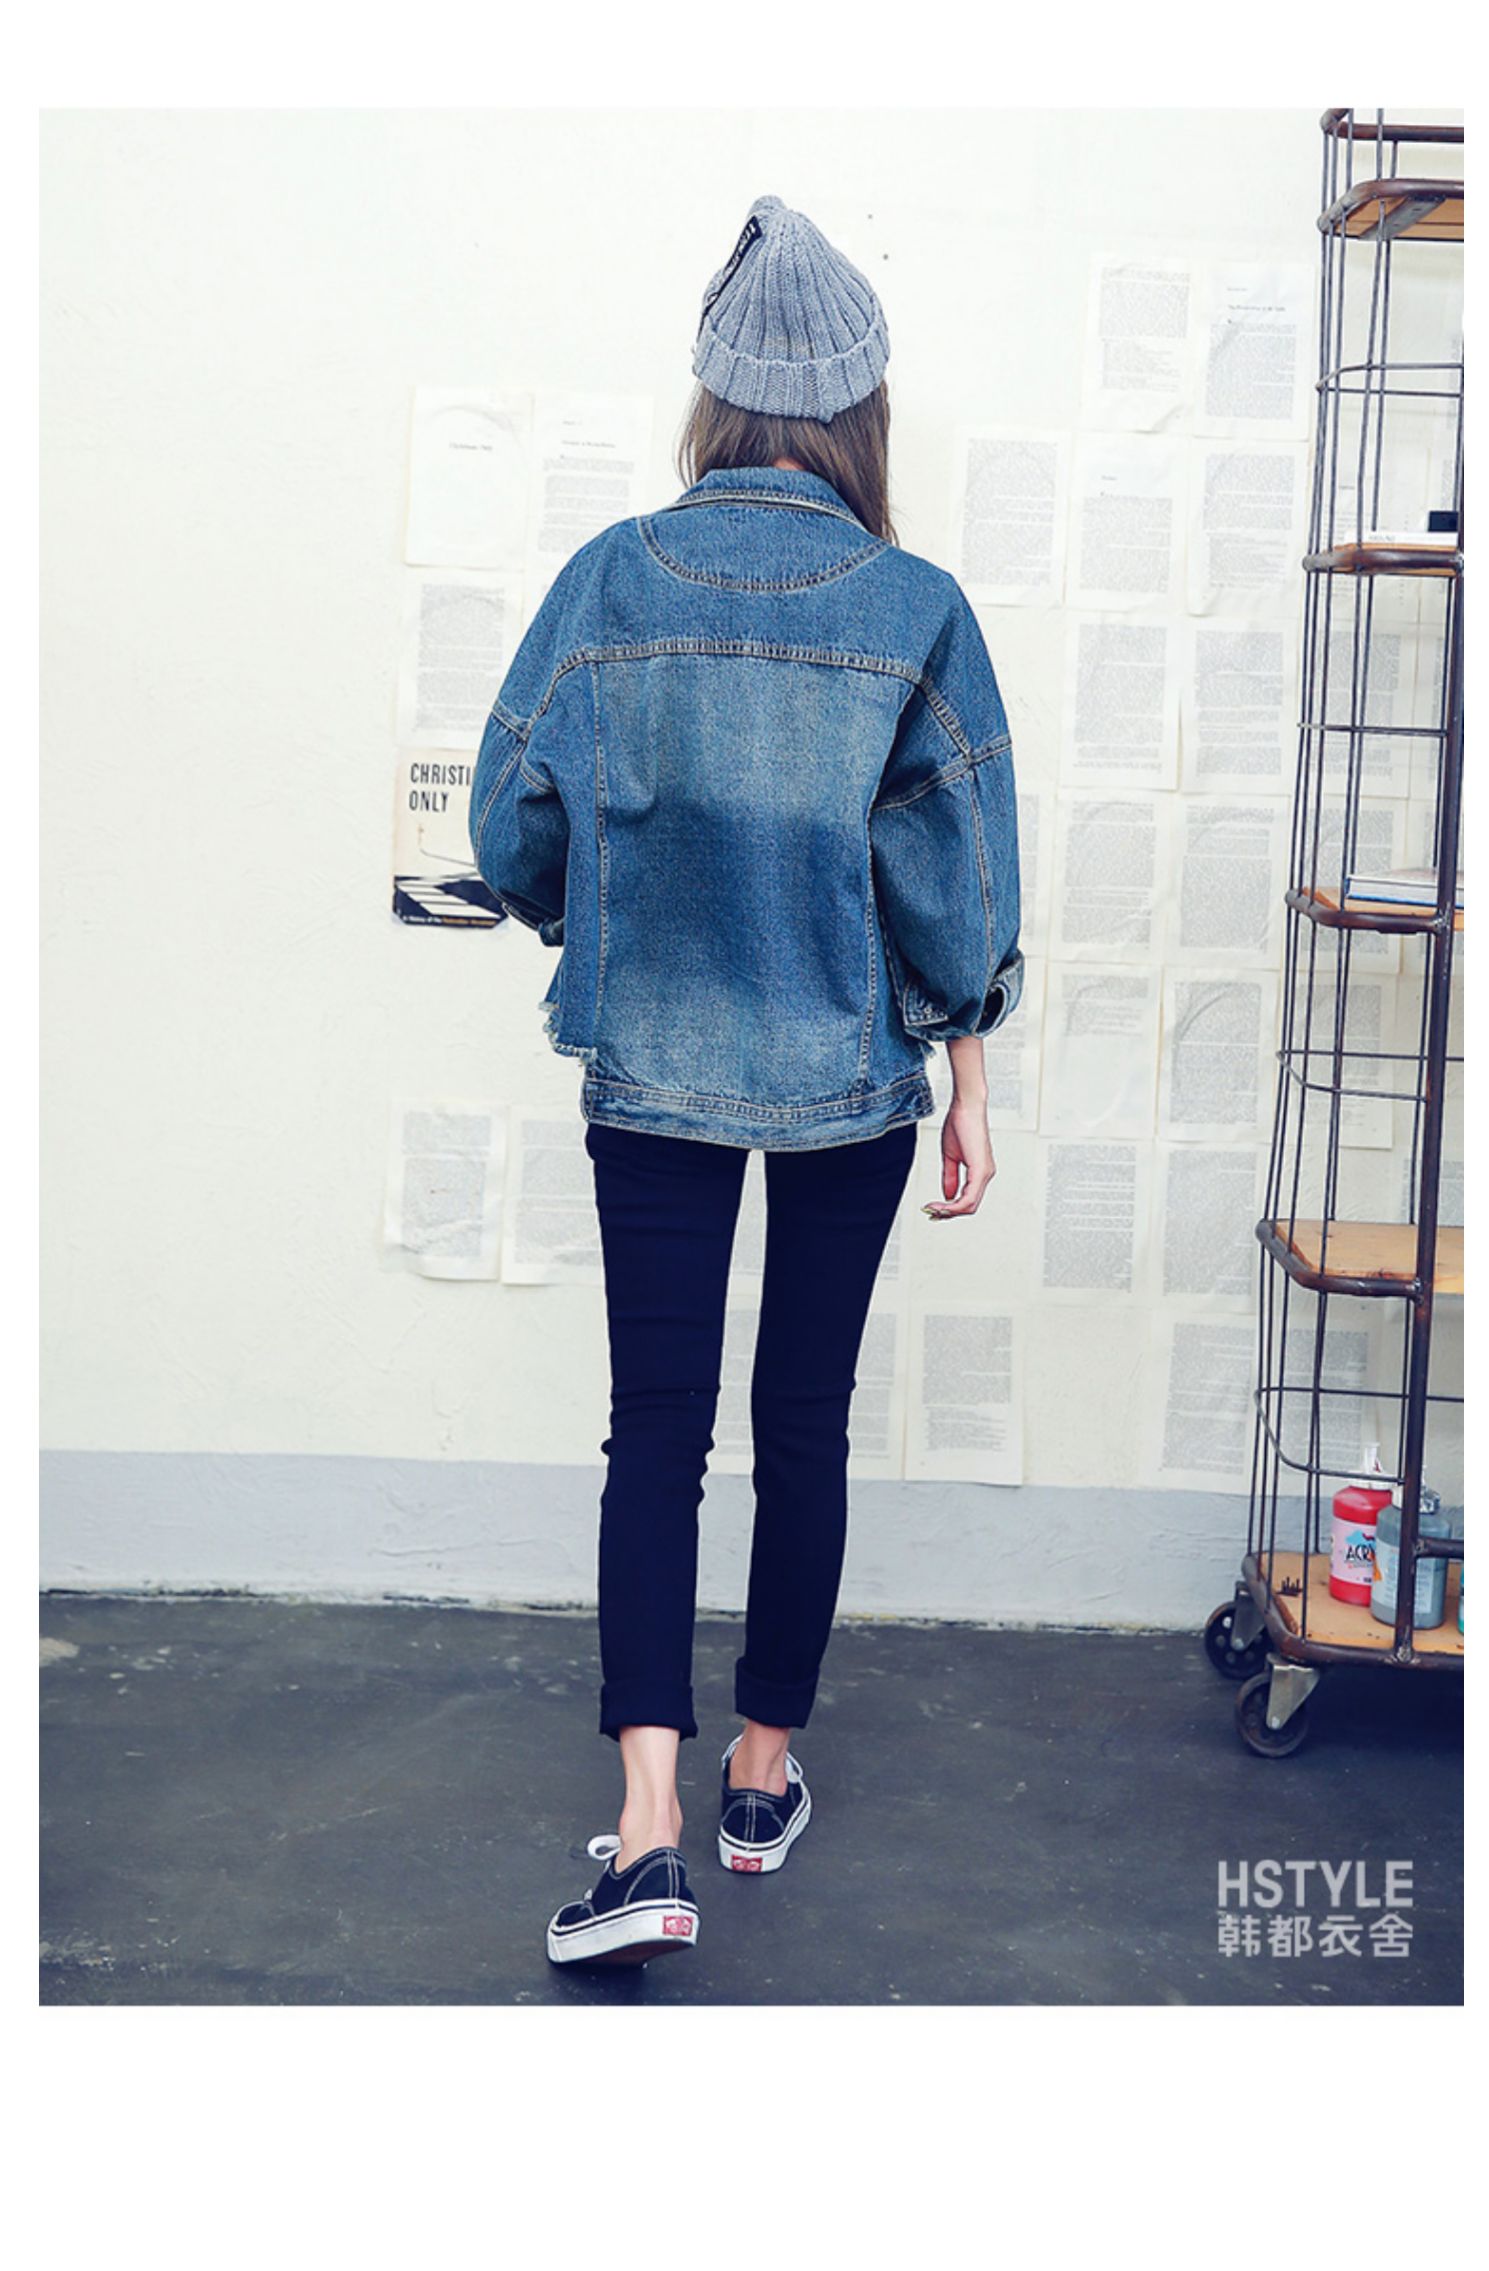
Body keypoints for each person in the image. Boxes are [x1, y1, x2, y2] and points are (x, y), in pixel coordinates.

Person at [469, 193, 1024, 1968]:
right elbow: (957, 889)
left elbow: (508, 822)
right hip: (849, 1075)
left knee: (655, 1426)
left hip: (651, 1063)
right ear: (861, 411)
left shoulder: (608, 579)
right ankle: (761, 1776)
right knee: (803, 1421)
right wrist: (970, 1078)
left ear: (711, 397)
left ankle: (645, 1830)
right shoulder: (918, 609)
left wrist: (594, 915)